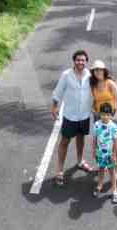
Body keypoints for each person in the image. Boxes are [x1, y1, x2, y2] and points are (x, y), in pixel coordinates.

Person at [51, 49, 93, 186]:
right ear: (74, 61)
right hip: (70, 115)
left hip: (84, 115)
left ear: (86, 61)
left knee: (81, 139)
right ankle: (59, 171)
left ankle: (80, 161)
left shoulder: (89, 75)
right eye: (78, 59)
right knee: (65, 142)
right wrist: (54, 106)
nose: (80, 62)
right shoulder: (66, 75)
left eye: (83, 60)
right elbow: (58, 91)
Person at [90, 60, 117, 189]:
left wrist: (115, 114)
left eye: (100, 69)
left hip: (112, 118)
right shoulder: (93, 86)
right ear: (93, 72)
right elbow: (94, 101)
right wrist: (94, 111)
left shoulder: (110, 83)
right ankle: (103, 168)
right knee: (101, 146)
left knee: (116, 148)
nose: (98, 72)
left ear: (104, 71)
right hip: (99, 119)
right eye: (96, 70)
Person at [92, 103, 117, 203]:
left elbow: (116, 141)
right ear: (100, 114)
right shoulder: (96, 125)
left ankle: (114, 191)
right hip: (100, 153)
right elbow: (95, 139)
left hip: (109, 154)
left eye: (107, 114)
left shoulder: (113, 126)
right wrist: (94, 150)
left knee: (112, 172)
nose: (105, 116)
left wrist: (114, 154)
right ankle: (99, 185)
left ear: (111, 115)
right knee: (100, 169)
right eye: (103, 114)